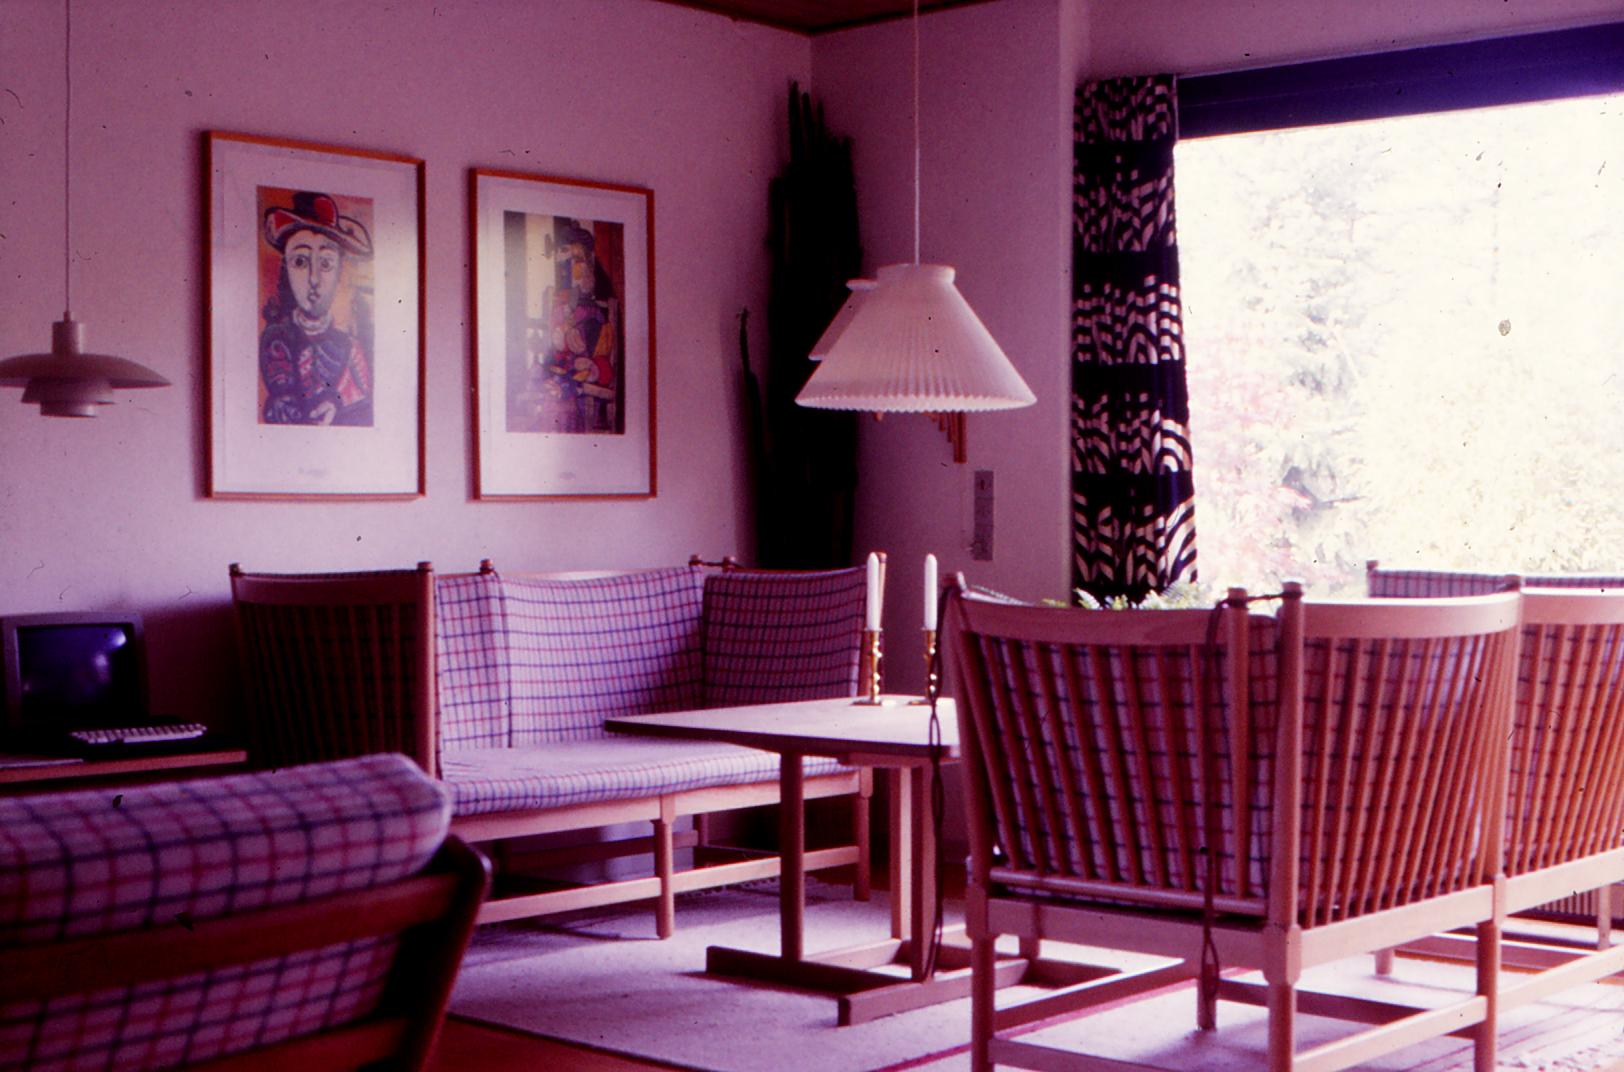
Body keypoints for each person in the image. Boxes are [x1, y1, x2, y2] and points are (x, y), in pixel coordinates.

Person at [258, 190, 375, 425]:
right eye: (300, 261)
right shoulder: (275, 340)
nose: (314, 279)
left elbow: (363, 401)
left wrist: (336, 403)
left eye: (326, 263)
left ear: (339, 271)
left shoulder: (350, 348)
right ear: (286, 270)